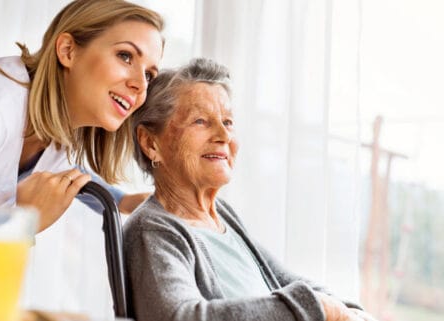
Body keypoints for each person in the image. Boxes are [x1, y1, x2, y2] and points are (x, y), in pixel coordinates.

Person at [0, 0, 164, 293]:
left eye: (149, 75)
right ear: (68, 50)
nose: (140, 86)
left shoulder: (48, 124)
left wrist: (121, 200)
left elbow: (62, 168)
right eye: (125, 56)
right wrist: (15, 224)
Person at [123, 58, 377, 321]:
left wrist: (350, 311)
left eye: (228, 121)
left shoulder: (220, 215)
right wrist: (321, 309)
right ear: (150, 142)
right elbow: (180, 316)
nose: (223, 135)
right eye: (200, 121)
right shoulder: (152, 231)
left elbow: (285, 281)